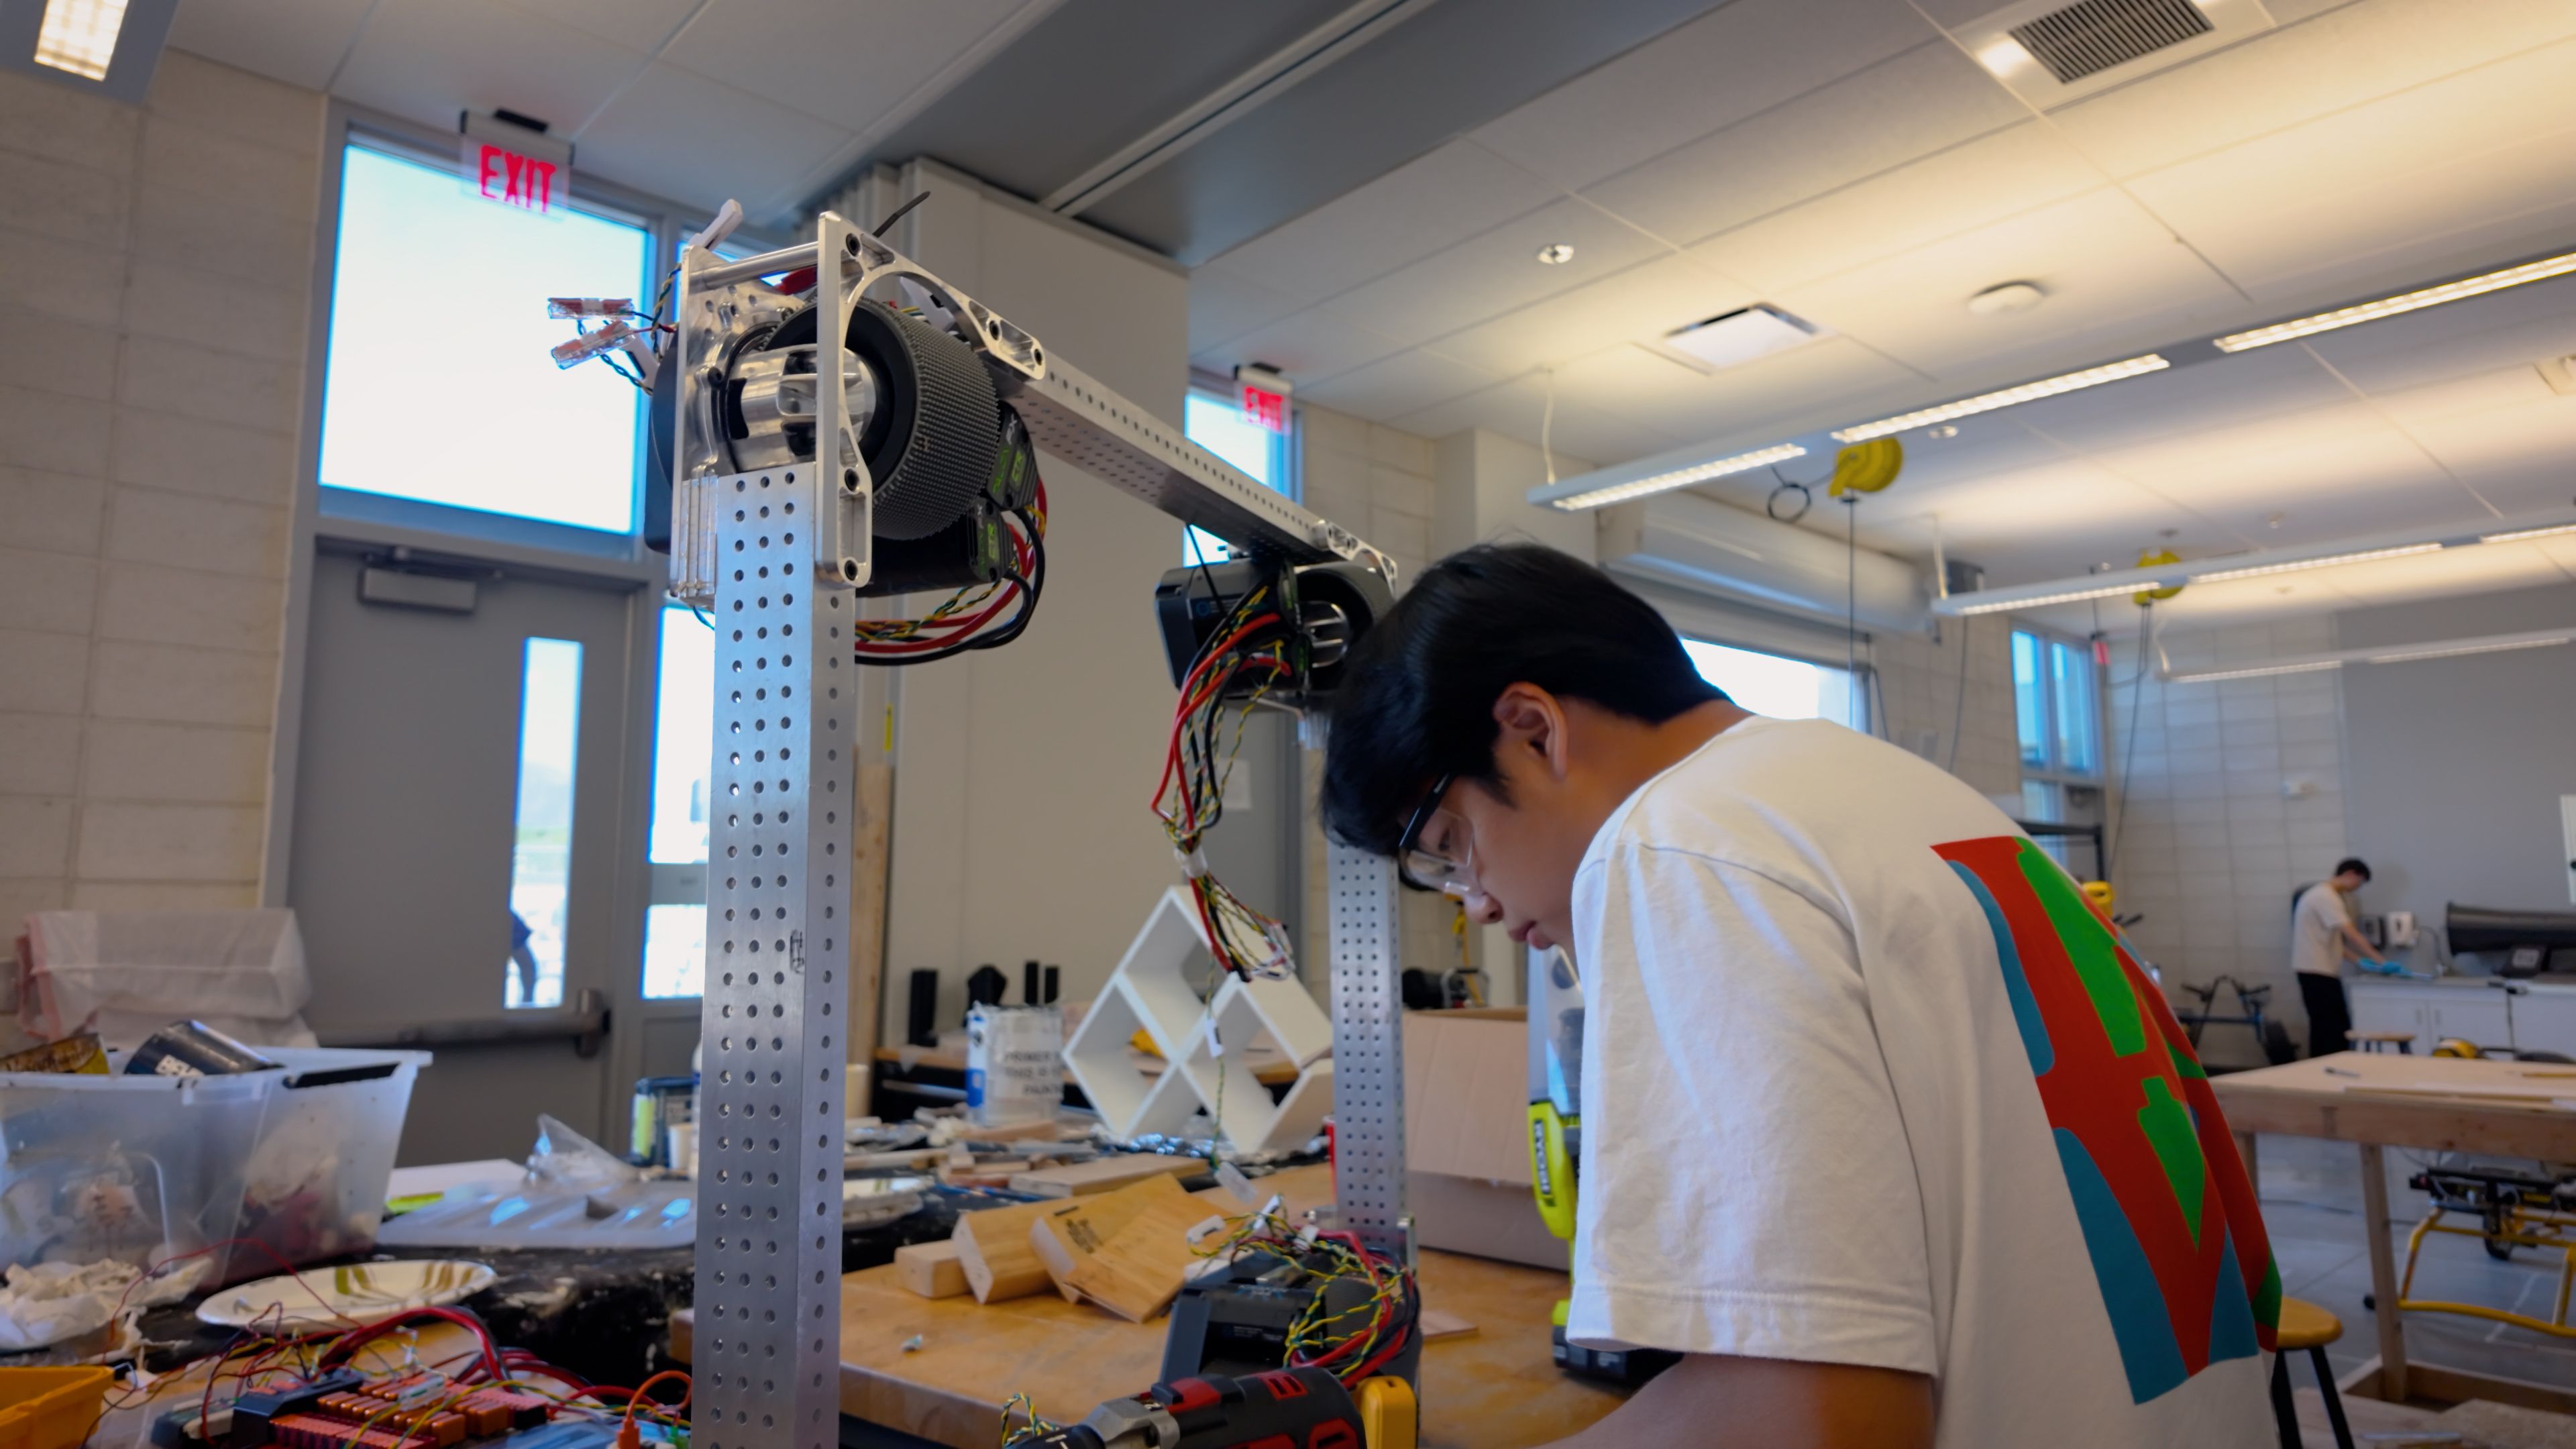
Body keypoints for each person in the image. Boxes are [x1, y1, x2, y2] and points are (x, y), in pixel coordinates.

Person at [1320, 545, 2277, 1449]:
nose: (1479, 903)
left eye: (1450, 846)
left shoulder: (1674, 845)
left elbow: (1817, 1422)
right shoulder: (1897, 793)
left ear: (1534, 729)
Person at [2291, 859, 2375, 1057]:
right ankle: (2324, 1072)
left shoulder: (2324, 896)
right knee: (2329, 1028)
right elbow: (2352, 934)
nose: (2357, 888)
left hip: (2320, 971)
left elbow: (2335, 943)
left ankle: (2329, 1068)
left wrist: (2359, 961)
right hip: (2316, 972)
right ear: (2351, 874)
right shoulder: (2326, 897)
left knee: (2335, 1025)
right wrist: (2381, 961)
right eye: (2359, 882)